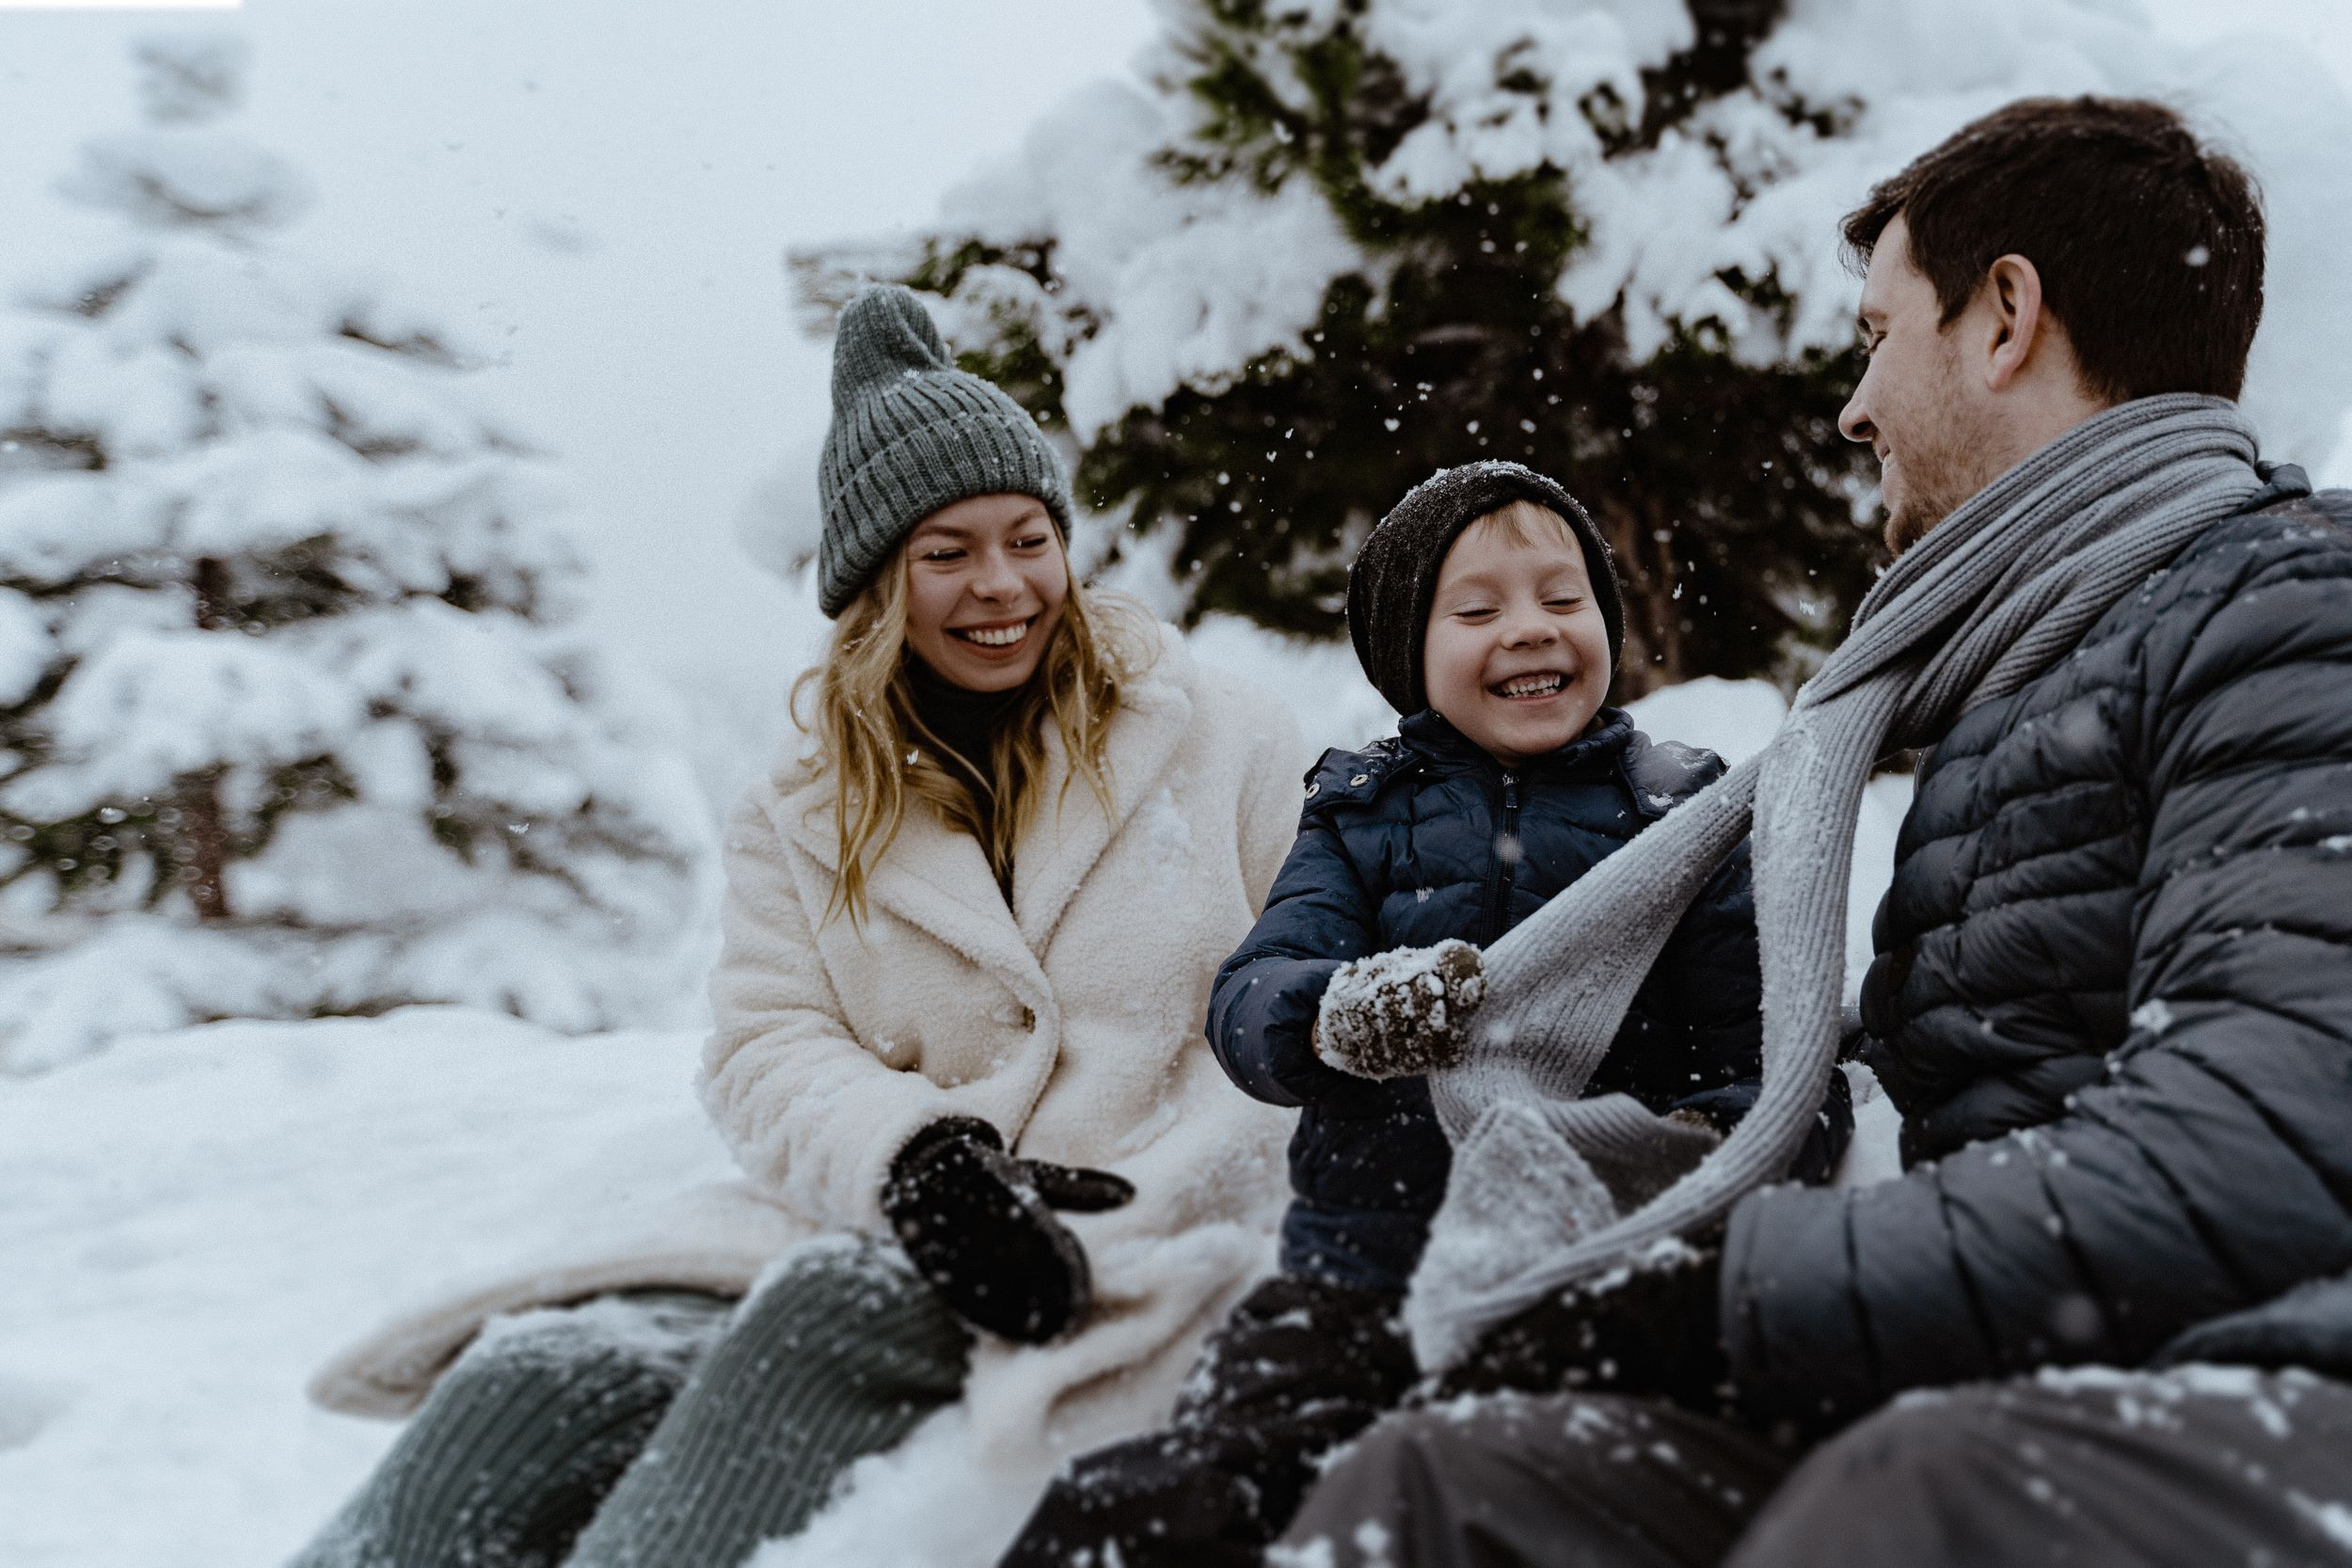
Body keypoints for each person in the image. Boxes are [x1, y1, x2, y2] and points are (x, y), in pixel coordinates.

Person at [1270, 95, 2352, 1568]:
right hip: (2021, 1368)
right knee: (1444, 1488)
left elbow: (2255, 1149)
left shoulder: (2294, 617)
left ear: (2007, 317)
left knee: (1910, 1497)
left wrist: (1719, 1291)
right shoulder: (2018, 678)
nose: (1854, 406)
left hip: (2272, 1378)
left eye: (1875, 334)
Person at [289, 284, 1306, 1568]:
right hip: (889, 1211)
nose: (1002, 584)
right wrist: (916, 1159)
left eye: (1027, 537)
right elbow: (766, 1042)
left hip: (1142, 1218)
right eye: (949, 552)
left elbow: (1306, 992)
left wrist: (1176, 1170)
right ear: (879, 582)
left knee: (834, 1312)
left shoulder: (1223, 737)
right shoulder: (804, 803)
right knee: (541, 1372)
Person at [997, 463, 1850, 1567]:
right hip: (1359, 1279)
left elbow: (1782, 1066)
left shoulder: (1677, 815)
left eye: (1562, 596)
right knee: (1171, 1500)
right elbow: (1248, 1002)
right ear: (1412, 649)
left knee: (1461, 1502)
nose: (1530, 631)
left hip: (1578, 1282)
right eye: (1479, 608)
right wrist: (1333, 1015)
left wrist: (1667, 1152)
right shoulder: (1361, 815)